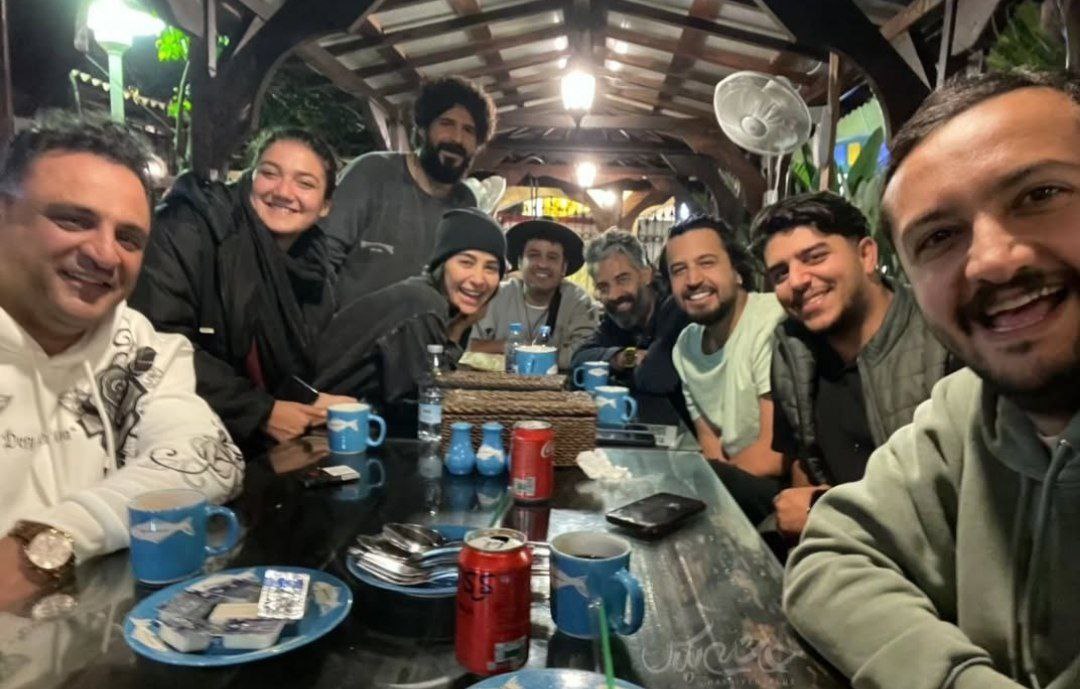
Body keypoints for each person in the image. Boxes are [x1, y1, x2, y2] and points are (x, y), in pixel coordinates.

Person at [784, 70, 1080, 689]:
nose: (993, 260)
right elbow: (830, 554)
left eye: (1041, 194)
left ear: (869, 261)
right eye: (940, 236)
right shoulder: (972, 405)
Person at [0, 112, 243, 610]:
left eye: (128, 238)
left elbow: (208, 458)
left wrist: (45, 543)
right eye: (73, 220)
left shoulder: (139, 346)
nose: (105, 255)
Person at [130, 128, 353, 449]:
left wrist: (310, 400)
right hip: (173, 432)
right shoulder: (191, 226)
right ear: (251, 177)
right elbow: (156, 342)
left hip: (244, 431)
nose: (283, 191)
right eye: (269, 174)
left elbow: (280, 366)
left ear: (326, 205)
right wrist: (260, 411)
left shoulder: (312, 265)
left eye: (305, 183)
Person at [752, 191, 953, 539]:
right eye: (780, 273)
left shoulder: (941, 336)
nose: (797, 280)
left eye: (815, 257)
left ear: (866, 255)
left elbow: (968, 499)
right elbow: (802, 464)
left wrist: (822, 511)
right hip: (838, 549)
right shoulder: (792, 348)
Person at [324, 76, 497, 304]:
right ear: (423, 129)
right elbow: (322, 258)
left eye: (468, 130)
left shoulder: (466, 205)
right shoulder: (372, 173)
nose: (457, 138)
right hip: (346, 325)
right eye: (446, 123)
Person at [316, 207, 506, 407]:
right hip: (318, 417)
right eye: (466, 263)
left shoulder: (434, 301)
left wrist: (457, 329)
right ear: (442, 264)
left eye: (491, 268)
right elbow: (425, 404)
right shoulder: (423, 305)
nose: (478, 279)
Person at [666, 215, 787, 523]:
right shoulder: (686, 346)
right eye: (679, 270)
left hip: (781, 492)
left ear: (737, 272)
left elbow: (772, 455)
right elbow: (711, 446)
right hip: (730, 480)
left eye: (706, 263)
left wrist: (706, 488)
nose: (693, 280)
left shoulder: (771, 322)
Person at [571, 230, 689, 423]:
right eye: (603, 287)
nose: (614, 294)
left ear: (646, 275)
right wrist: (624, 357)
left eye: (623, 279)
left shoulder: (675, 308)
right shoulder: (618, 320)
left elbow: (656, 377)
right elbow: (580, 358)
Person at [470, 219, 599, 371]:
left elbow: (584, 355)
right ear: (519, 262)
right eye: (534, 255)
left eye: (552, 257)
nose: (542, 264)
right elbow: (467, 347)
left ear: (564, 268)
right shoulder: (495, 296)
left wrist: (516, 353)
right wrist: (506, 346)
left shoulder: (579, 302)